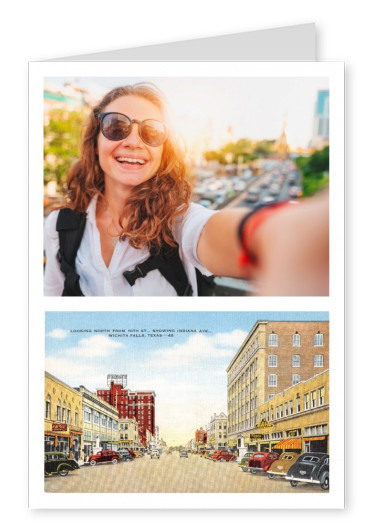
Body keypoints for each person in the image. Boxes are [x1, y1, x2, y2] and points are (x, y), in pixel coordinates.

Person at [44, 82, 329, 296]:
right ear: (95, 140)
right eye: (116, 126)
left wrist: (277, 233)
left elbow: (211, 232)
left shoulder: (178, 222)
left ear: (163, 151)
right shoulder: (59, 226)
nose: (133, 142)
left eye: (151, 131)